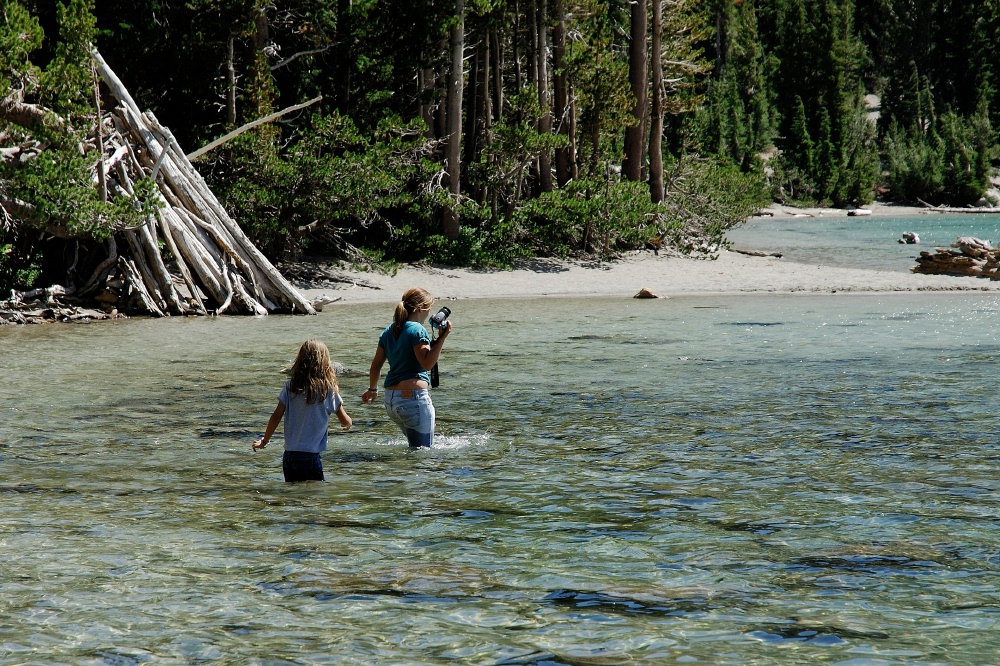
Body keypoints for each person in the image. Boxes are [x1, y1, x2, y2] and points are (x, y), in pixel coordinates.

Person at [362, 287, 452, 447]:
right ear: (420, 308)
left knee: (415, 450)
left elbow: (375, 366)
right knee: (423, 455)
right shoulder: (417, 329)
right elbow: (427, 363)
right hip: (413, 399)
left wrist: (372, 389)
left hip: (391, 400)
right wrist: (442, 338)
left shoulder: (389, 331)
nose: (429, 314)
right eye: (429, 309)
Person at [253, 338, 352, 482]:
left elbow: (275, 417)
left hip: (289, 456)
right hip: (311, 457)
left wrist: (264, 441)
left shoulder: (290, 387)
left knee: (293, 496)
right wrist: (348, 424)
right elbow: (344, 420)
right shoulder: (327, 390)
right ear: (325, 364)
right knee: (314, 499)